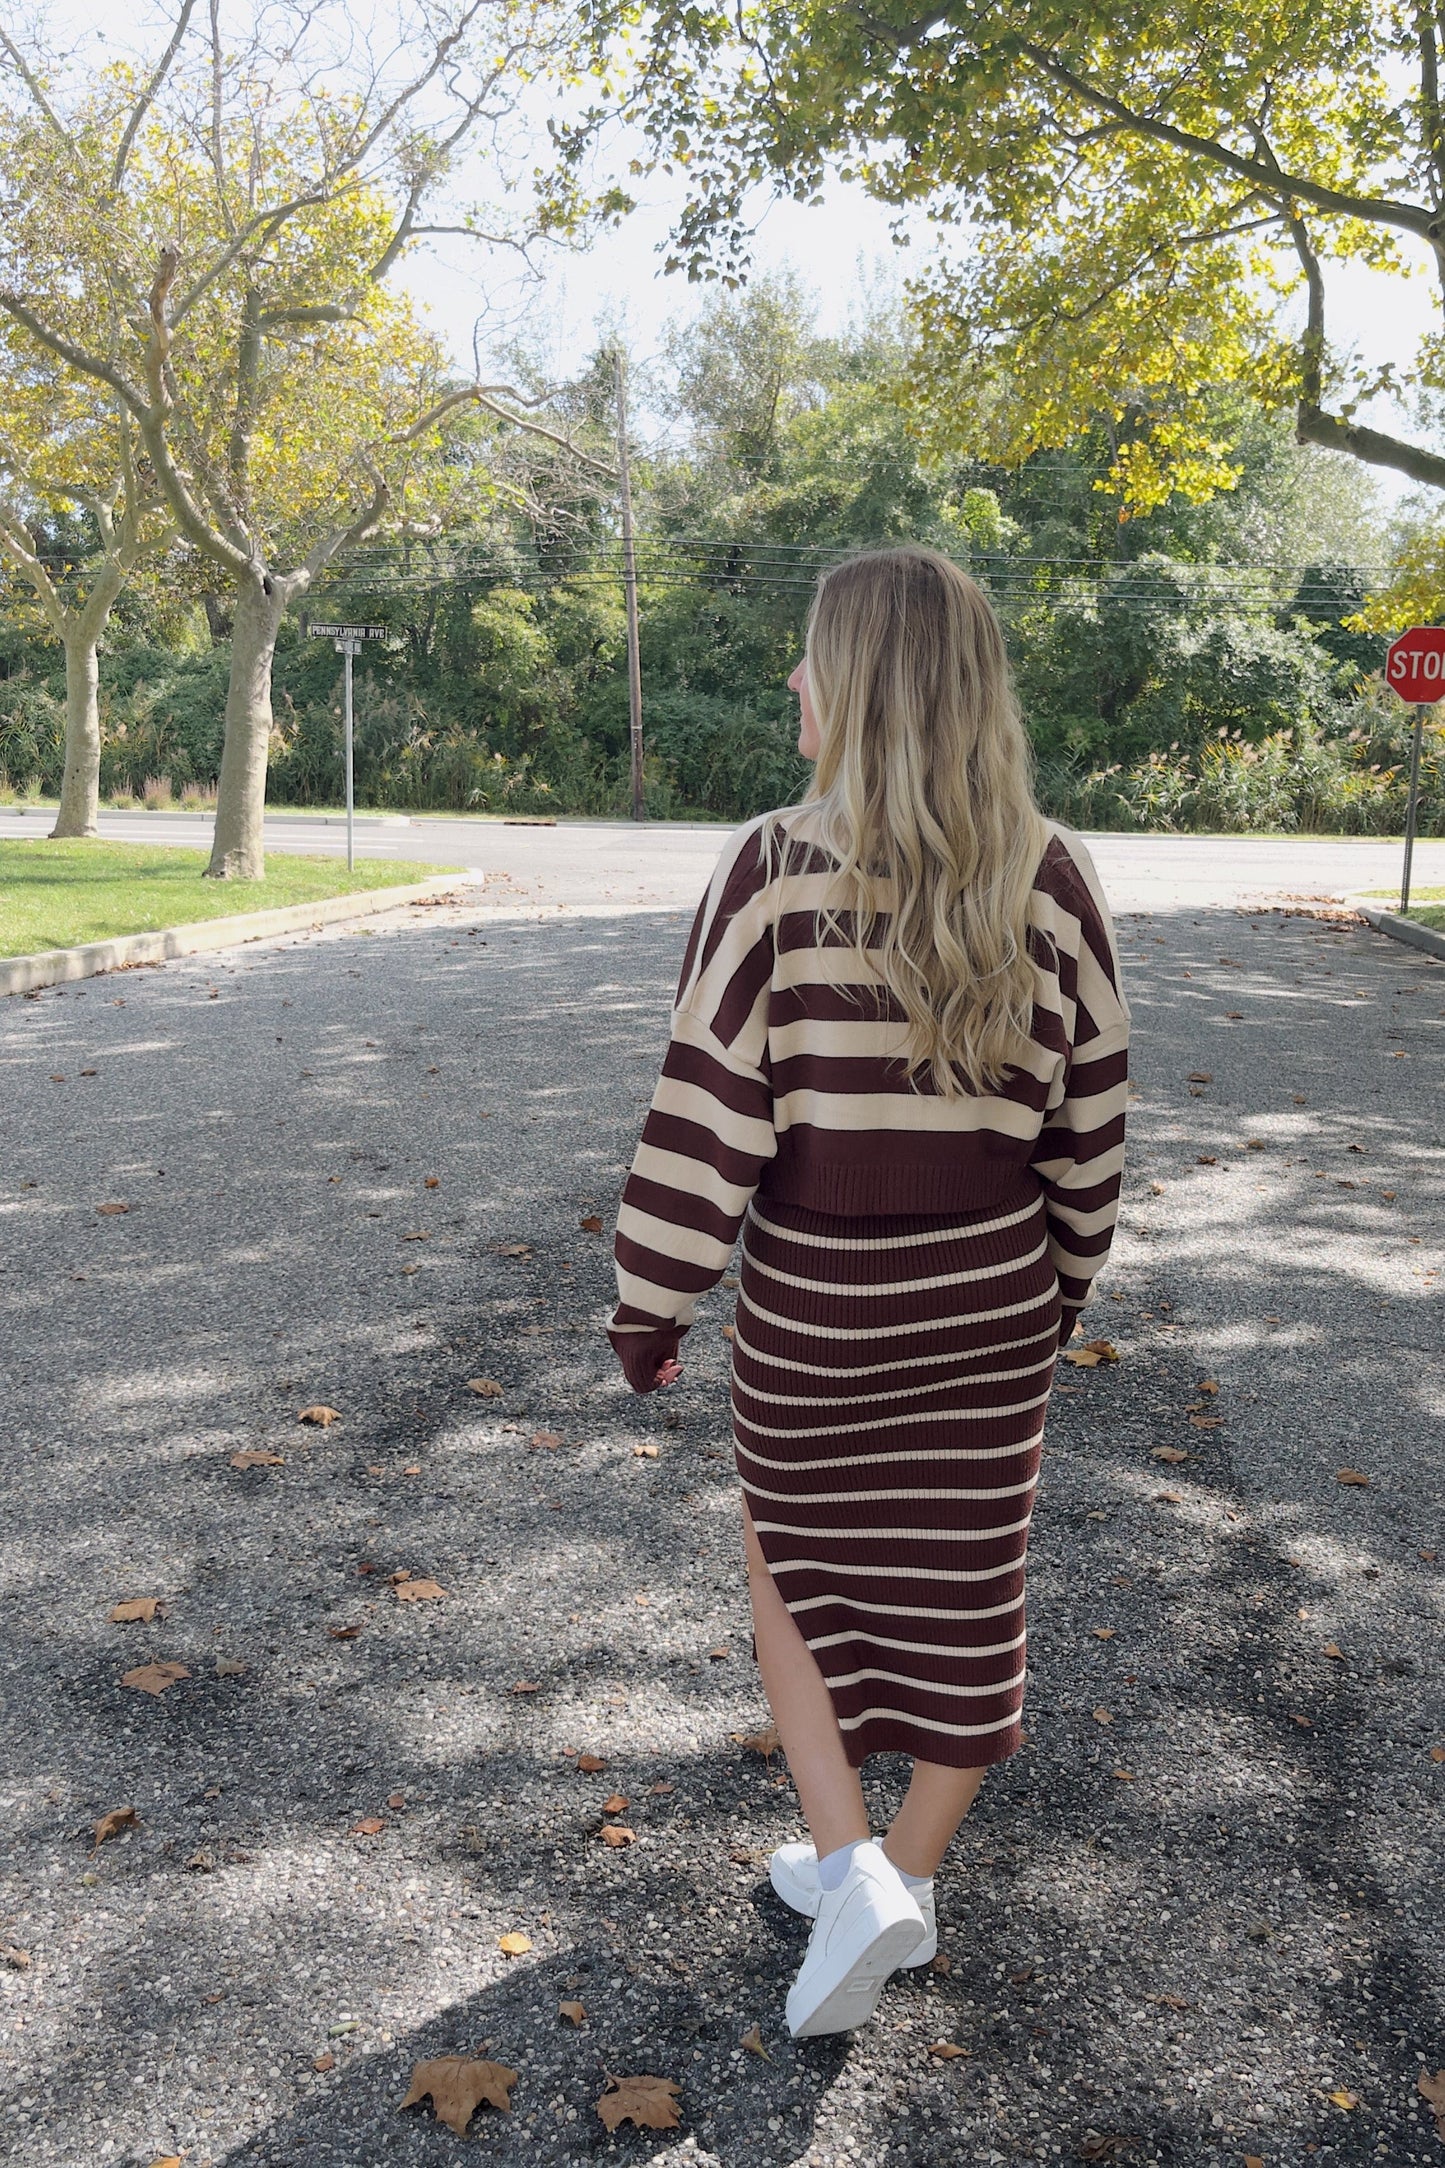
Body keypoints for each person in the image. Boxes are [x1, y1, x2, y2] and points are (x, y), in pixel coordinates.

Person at [606, 545, 1130, 2040]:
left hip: (820, 1302)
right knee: (968, 1586)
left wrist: (656, 1298)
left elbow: (707, 1106)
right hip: (987, 1299)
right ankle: (891, 1873)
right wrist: (1062, 1289)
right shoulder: (1052, 870)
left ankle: (854, 1866)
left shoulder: (773, 864)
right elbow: (1092, 1123)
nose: (789, 678)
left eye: (808, 654)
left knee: (793, 1567)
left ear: (865, 681)